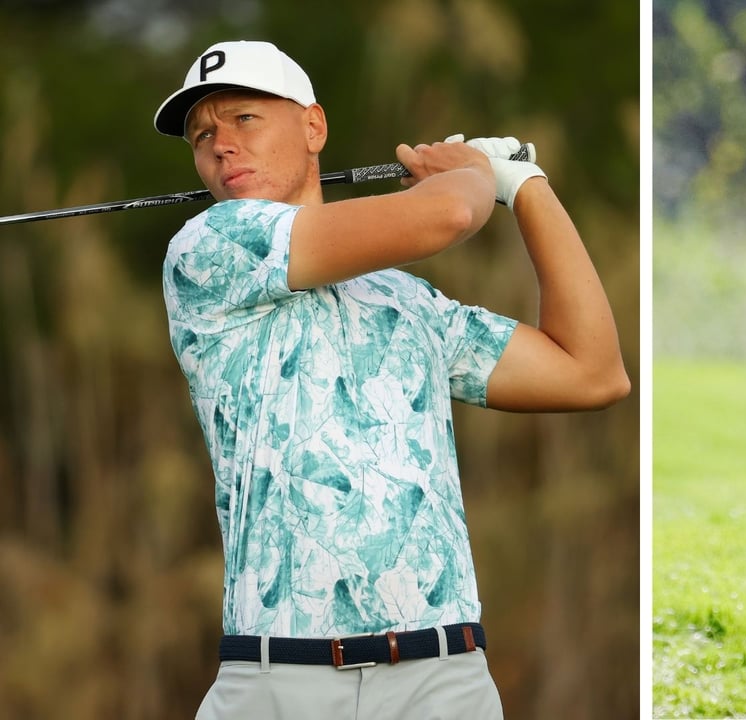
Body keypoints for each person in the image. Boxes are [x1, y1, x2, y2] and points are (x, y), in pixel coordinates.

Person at [154, 40, 629, 719]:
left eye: (244, 120)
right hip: (278, 677)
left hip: (442, 676)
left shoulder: (408, 301)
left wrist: (527, 187)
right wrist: (471, 173)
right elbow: (448, 215)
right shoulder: (210, 248)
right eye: (203, 135)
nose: (221, 145)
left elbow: (592, 373)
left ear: (313, 126)